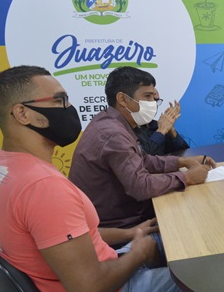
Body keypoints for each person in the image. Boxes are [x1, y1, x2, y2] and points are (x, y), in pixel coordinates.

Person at [0, 66, 224, 292]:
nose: (69, 109)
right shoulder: (43, 186)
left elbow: (61, 238)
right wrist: (138, 254)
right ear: (22, 113)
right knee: (222, 287)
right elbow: (88, 286)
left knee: (171, 242)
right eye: (60, 101)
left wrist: (129, 235)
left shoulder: (7, 168)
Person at [69, 67, 212, 245]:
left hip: (124, 216)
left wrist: (181, 161)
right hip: (119, 229)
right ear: (122, 99)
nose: (153, 103)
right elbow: (140, 186)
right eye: (147, 97)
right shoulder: (113, 133)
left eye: (154, 98)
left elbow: (143, 160)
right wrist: (187, 178)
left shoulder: (112, 122)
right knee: (197, 233)